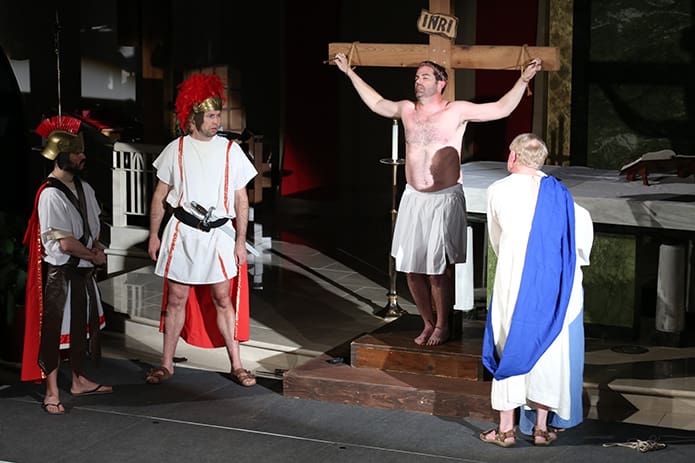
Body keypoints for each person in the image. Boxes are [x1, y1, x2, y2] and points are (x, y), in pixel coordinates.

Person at [334, 53, 543, 345]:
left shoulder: (455, 111)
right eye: (416, 77)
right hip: (413, 198)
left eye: (425, 77)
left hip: (443, 198)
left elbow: (500, 108)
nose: (418, 82)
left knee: (437, 271)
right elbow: (378, 103)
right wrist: (349, 72)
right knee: (410, 269)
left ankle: (443, 325)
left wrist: (523, 80)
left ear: (441, 82)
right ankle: (428, 322)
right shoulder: (407, 110)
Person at [479, 133, 593, 447]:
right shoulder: (561, 194)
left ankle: (505, 429)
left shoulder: (498, 190)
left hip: (514, 278)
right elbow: (578, 243)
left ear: (513, 157)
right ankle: (541, 428)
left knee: (509, 340)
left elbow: (497, 239)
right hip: (553, 283)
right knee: (547, 348)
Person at [146, 73, 258, 387]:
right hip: (182, 232)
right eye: (210, 115)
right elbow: (159, 196)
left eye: (218, 115)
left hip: (218, 235)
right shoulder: (176, 149)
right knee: (176, 300)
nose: (216, 121)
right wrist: (153, 234)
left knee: (223, 299)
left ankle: (237, 364)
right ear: (194, 117)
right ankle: (166, 364)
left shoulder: (230, 150)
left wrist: (240, 240)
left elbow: (240, 198)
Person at [22, 115, 113, 415]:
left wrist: (97, 248)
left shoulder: (84, 188)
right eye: (76, 152)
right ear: (61, 155)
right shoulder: (50, 195)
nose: (82, 156)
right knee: (53, 333)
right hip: (61, 276)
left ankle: (77, 381)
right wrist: (94, 255)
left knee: (79, 331)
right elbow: (64, 243)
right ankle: (51, 392)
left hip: (82, 274)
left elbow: (93, 229)